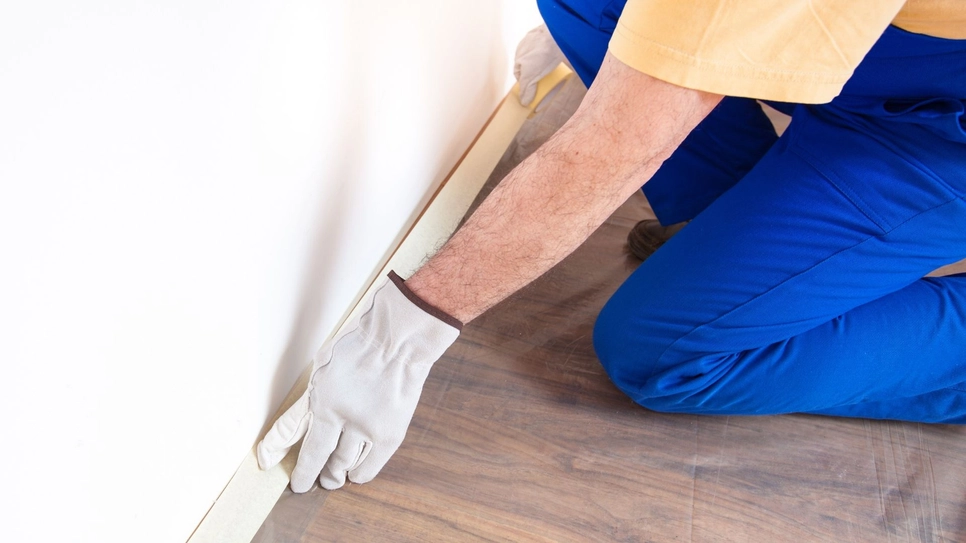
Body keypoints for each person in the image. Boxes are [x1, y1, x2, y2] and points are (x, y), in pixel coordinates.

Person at [257, 0, 966, 493]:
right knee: (586, 1)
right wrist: (607, 44)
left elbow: (621, 146)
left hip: (936, 129)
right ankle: (752, 255)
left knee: (664, 351)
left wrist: (400, 337)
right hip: (879, 56)